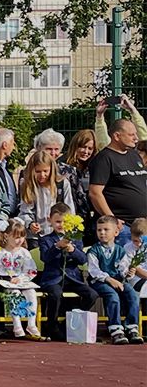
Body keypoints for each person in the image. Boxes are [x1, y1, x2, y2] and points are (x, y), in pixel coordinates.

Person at [38, 203, 98, 342]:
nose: (61, 225)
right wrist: (57, 247)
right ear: (50, 220)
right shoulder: (45, 239)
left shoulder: (76, 238)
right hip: (53, 279)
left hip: (72, 278)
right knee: (56, 294)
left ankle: (68, 322)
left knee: (92, 294)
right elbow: (45, 257)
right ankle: (52, 325)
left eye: (64, 222)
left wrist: (73, 250)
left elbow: (83, 260)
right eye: (58, 221)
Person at [89, 118, 146, 247]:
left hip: (142, 226)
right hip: (122, 228)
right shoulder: (104, 159)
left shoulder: (134, 155)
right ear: (117, 136)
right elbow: (95, 193)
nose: (136, 138)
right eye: (131, 135)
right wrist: (112, 220)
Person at [87, 215, 142, 345]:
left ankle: (131, 327)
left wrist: (128, 273)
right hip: (100, 282)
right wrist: (109, 279)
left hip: (118, 281)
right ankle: (115, 329)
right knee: (113, 296)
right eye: (99, 230)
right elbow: (94, 271)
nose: (102, 233)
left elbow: (123, 271)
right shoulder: (93, 250)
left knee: (133, 295)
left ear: (116, 232)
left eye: (106, 229)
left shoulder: (120, 251)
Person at [0, 219, 44, 341]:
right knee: (14, 293)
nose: (19, 240)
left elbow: (31, 270)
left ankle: (31, 324)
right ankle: (17, 325)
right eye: (16, 237)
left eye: (22, 237)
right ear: (7, 236)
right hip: (4, 281)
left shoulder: (24, 252)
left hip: (21, 280)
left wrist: (21, 278)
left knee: (31, 292)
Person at [16, 150, 73, 245]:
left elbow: (70, 209)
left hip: (58, 234)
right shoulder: (27, 185)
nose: (42, 175)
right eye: (38, 171)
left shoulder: (62, 184)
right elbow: (24, 211)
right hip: (35, 237)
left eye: (45, 171)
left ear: (52, 169)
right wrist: (30, 224)